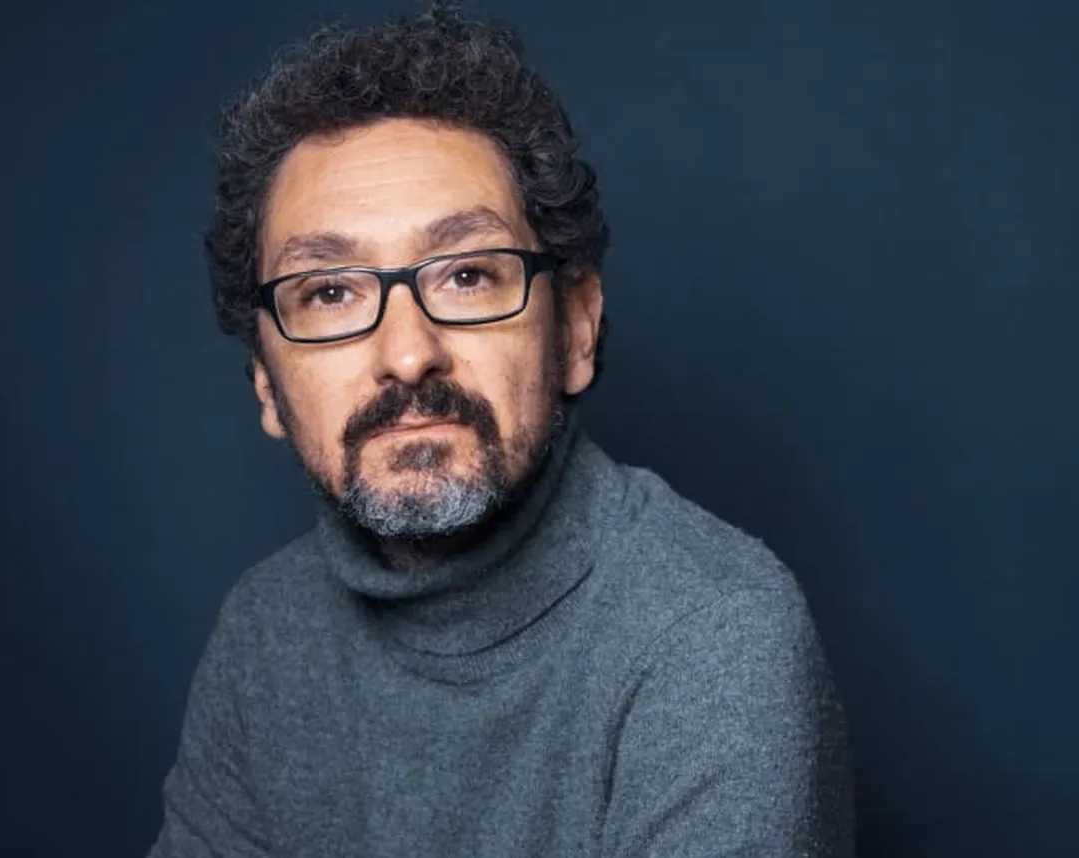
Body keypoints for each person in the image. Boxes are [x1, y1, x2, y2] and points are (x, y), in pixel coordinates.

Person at [148, 4, 854, 856]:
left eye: (468, 276)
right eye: (329, 292)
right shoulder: (264, 630)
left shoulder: (712, 633)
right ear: (266, 380)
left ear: (577, 330)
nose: (408, 355)